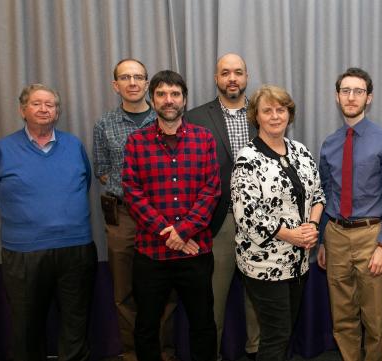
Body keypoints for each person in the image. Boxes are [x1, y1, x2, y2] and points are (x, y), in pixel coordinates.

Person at [0, 84, 97, 361]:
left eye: (50, 104)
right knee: (26, 325)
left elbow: (84, 184)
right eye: (37, 103)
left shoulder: (73, 145)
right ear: (23, 110)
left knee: (75, 322)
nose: (44, 109)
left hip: (76, 249)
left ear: (57, 112)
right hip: (23, 252)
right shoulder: (3, 149)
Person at [122, 70, 220, 361]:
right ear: (152, 100)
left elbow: (211, 190)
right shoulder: (136, 142)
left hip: (196, 254)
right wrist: (172, 235)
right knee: (147, 326)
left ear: (184, 100)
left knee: (203, 324)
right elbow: (133, 193)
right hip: (151, 255)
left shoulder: (204, 139)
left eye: (175, 94)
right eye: (162, 94)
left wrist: (184, 231)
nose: (169, 100)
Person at [231, 85, 325, 361]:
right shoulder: (247, 159)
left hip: (298, 262)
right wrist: (293, 236)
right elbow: (248, 216)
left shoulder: (300, 151)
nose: (275, 116)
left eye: (280, 110)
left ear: (289, 114)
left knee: (286, 331)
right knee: (276, 334)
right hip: (264, 265)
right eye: (267, 110)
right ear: (256, 116)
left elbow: (318, 195)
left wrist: (312, 227)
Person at [93, 58, 177, 361]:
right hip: (125, 216)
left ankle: (163, 351)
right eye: (125, 78)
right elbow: (102, 170)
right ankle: (133, 353)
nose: (132, 83)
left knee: (166, 291)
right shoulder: (104, 124)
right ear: (116, 85)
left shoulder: (168, 118)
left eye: (139, 77)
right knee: (124, 291)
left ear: (148, 85)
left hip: (165, 217)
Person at [317, 67, 382, 361]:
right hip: (336, 235)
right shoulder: (329, 144)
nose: (351, 97)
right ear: (337, 97)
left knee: (375, 320)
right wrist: (322, 241)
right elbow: (326, 195)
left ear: (369, 98)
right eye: (345, 91)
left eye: (358, 91)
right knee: (342, 317)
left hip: (371, 236)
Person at [185, 53, 260, 360]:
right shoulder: (195, 117)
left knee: (258, 300)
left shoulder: (263, 113)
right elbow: (188, 176)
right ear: (216, 78)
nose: (232, 78)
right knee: (212, 301)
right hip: (218, 222)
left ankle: (258, 351)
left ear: (246, 77)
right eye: (225, 73)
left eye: (238, 72)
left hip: (261, 224)